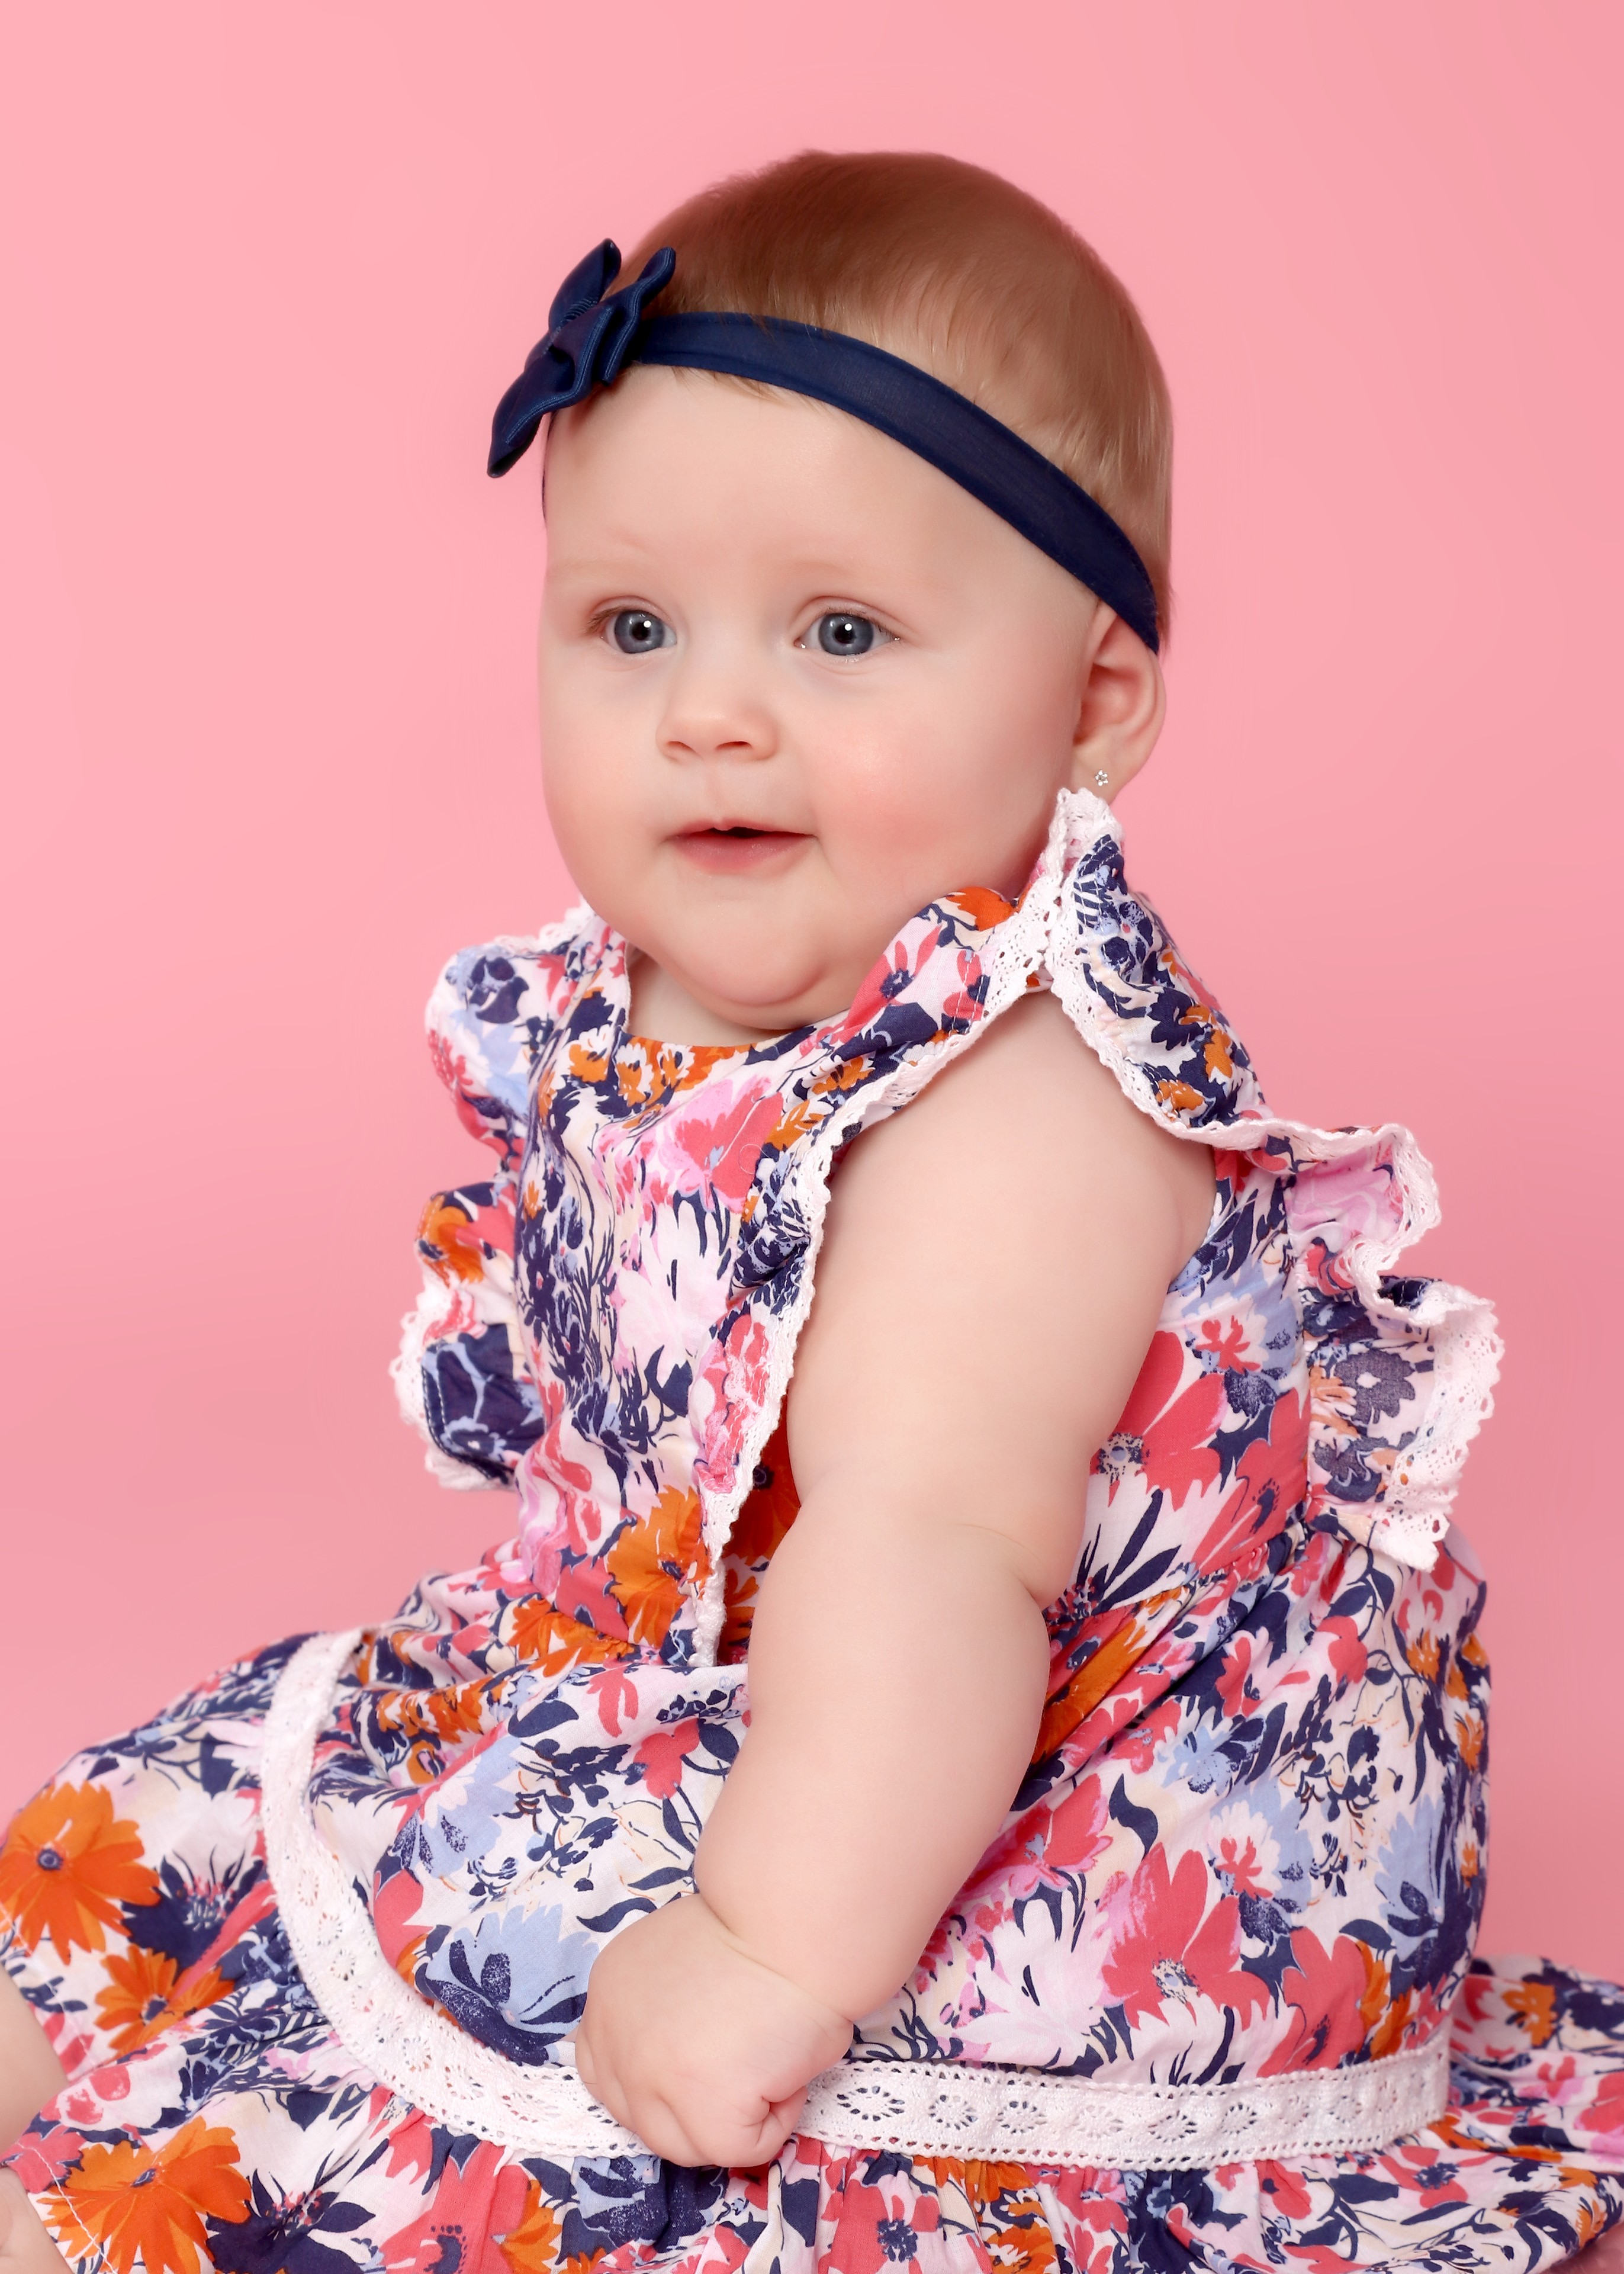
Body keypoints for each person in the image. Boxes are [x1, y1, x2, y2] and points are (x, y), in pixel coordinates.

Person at [2, 150, 1620, 2274]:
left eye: (841, 633)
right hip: (724, 1664)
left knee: (537, 1966)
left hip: (1020, 1797)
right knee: (272, 1787)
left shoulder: (1020, 1110)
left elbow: (930, 1559)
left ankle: (168, 2196)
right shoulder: (644, 1009)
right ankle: (90, 2048)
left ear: (1091, 708)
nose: (711, 711)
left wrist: (767, 1949)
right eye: (631, 626)